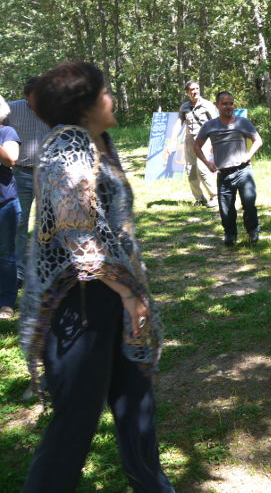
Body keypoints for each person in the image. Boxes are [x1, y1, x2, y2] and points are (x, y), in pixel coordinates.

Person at [18, 62, 174, 492]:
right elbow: (75, 228)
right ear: (83, 106)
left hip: (114, 297)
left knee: (137, 411)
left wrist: (129, 292)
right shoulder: (66, 146)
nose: (113, 97)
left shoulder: (100, 141)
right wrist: (127, 292)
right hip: (78, 310)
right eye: (105, 92)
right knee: (74, 427)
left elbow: (114, 225)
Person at [194, 92, 263, 247]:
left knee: (249, 203)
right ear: (217, 105)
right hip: (223, 174)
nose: (228, 107)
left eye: (231, 103)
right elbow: (196, 147)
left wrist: (249, 155)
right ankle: (230, 234)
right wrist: (207, 163)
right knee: (226, 208)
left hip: (243, 171)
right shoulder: (209, 125)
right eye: (224, 104)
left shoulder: (242, 122)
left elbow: (258, 140)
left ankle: (253, 231)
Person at [7, 77, 49, 286]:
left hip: (50, 175)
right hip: (21, 173)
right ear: (25, 96)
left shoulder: (55, 109)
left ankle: (48, 269)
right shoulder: (11, 109)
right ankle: (19, 272)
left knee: (52, 223)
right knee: (19, 223)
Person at [164, 80, 218, 207]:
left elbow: (216, 124)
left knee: (202, 168)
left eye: (197, 88)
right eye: (192, 89)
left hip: (204, 141)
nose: (195, 91)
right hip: (189, 142)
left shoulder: (207, 105)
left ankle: (215, 196)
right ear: (187, 92)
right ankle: (200, 199)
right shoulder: (184, 107)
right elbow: (179, 124)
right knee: (191, 170)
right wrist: (172, 142)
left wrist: (215, 143)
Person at [0, 95, 21, 319]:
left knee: (5, 254)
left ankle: (6, 302)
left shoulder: (7, 133)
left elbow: (10, 159)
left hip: (3, 203)